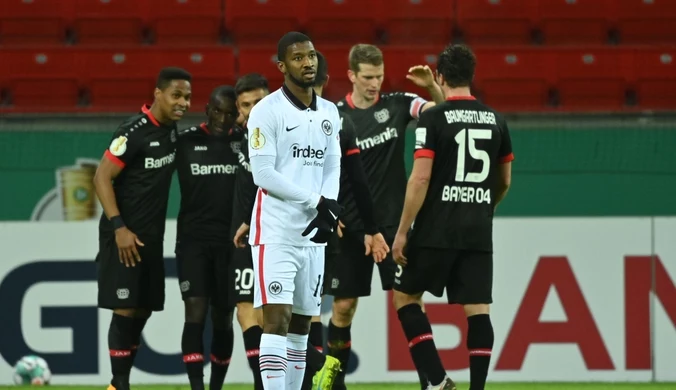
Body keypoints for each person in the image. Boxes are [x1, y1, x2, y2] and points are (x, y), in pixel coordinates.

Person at [391, 44, 514, 390]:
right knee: (478, 310)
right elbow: (504, 181)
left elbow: (420, 178)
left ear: (441, 77)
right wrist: (484, 207)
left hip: (435, 230)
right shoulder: (496, 120)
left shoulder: (432, 118)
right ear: (471, 76)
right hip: (478, 230)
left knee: (406, 297)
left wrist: (402, 232)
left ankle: (437, 379)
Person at [326, 43, 445, 389]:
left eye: (378, 75)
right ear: (351, 76)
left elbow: (439, 113)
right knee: (344, 307)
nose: (374, 83)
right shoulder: (333, 116)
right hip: (349, 227)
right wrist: (328, 209)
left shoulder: (399, 103)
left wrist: (432, 87)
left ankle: (430, 381)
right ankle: (334, 384)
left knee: (408, 299)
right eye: (367, 77)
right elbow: (316, 164)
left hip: (393, 226)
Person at [247, 31, 342, 390]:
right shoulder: (265, 111)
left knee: (303, 324)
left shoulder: (330, 112)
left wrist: (329, 207)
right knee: (277, 319)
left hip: (313, 235)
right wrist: (316, 201)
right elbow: (264, 175)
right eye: (299, 58)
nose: (308, 63)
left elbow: (332, 166)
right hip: (276, 232)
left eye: (312, 56)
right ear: (282, 65)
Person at [93, 67, 191, 390]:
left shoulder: (172, 132)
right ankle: (119, 384)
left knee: (143, 308)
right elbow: (101, 178)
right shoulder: (132, 132)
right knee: (124, 307)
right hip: (123, 235)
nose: (183, 103)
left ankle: (117, 383)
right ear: (157, 94)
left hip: (150, 237)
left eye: (188, 97)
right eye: (176, 95)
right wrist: (118, 227)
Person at [303, 51, 390, 390]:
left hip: (322, 228)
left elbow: (353, 179)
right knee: (295, 311)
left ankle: (328, 382)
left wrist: (335, 211)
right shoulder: (281, 118)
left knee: (311, 306)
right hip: (288, 226)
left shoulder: (338, 121)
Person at [174, 86, 241, 390]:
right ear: (207, 109)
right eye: (218, 110)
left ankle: (216, 386)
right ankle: (196, 387)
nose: (223, 118)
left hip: (231, 243)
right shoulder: (185, 140)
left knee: (224, 318)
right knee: (195, 312)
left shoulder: (244, 142)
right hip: (193, 242)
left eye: (230, 112)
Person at [231, 73, 271, 390]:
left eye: (258, 102)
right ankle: (262, 383)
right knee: (245, 310)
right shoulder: (237, 136)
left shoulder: (282, 132)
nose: (252, 109)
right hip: (243, 237)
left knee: (277, 316)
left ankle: (315, 368)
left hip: (274, 233)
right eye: (246, 104)